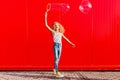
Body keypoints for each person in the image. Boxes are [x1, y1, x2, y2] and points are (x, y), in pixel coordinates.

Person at [45, 9, 75, 78]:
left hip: (60, 46)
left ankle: (54, 69)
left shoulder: (61, 33)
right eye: (55, 25)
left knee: (58, 59)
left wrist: (71, 43)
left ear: (59, 26)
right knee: (56, 58)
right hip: (55, 45)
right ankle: (57, 72)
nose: (56, 26)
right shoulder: (53, 32)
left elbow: (66, 38)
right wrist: (45, 15)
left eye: (57, 25)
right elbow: (46, 25)